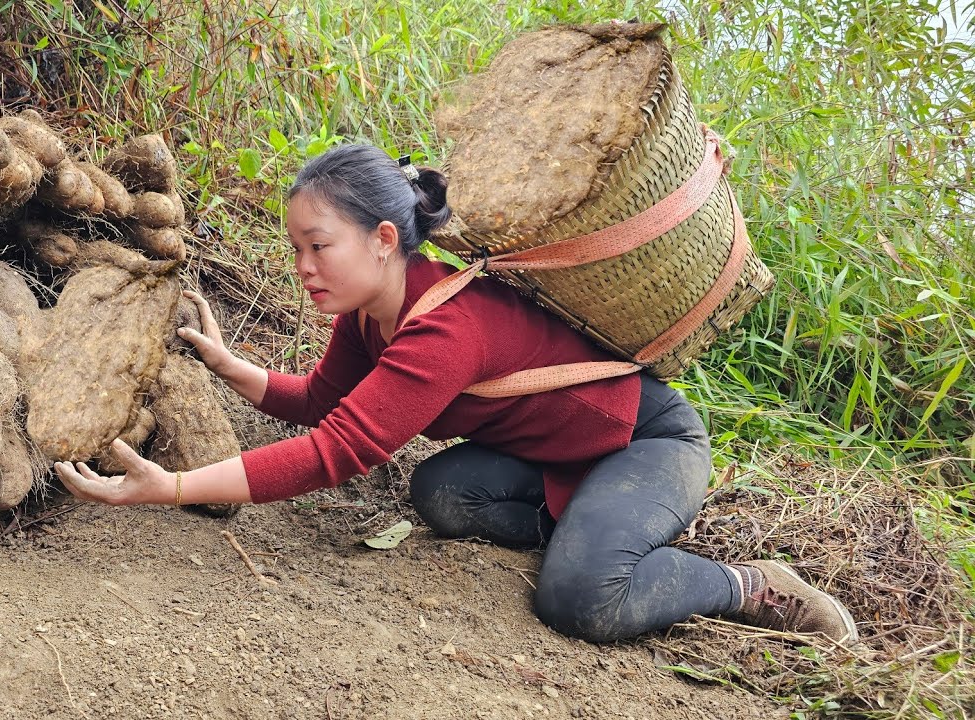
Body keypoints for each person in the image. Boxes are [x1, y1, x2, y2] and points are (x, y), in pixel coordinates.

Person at [53, 144, 857, 645]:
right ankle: (585, 525)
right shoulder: (372, 312)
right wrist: (234, 368)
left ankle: (751, 586)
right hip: (551, 455)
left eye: (317, 246)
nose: (303, 265)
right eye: (295, 247)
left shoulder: (445, 326)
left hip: (646, 444)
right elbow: (324, 403)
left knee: (581, 600)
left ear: (383, 239)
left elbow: (340, 451)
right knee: (442, 492)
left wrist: (175, 488)